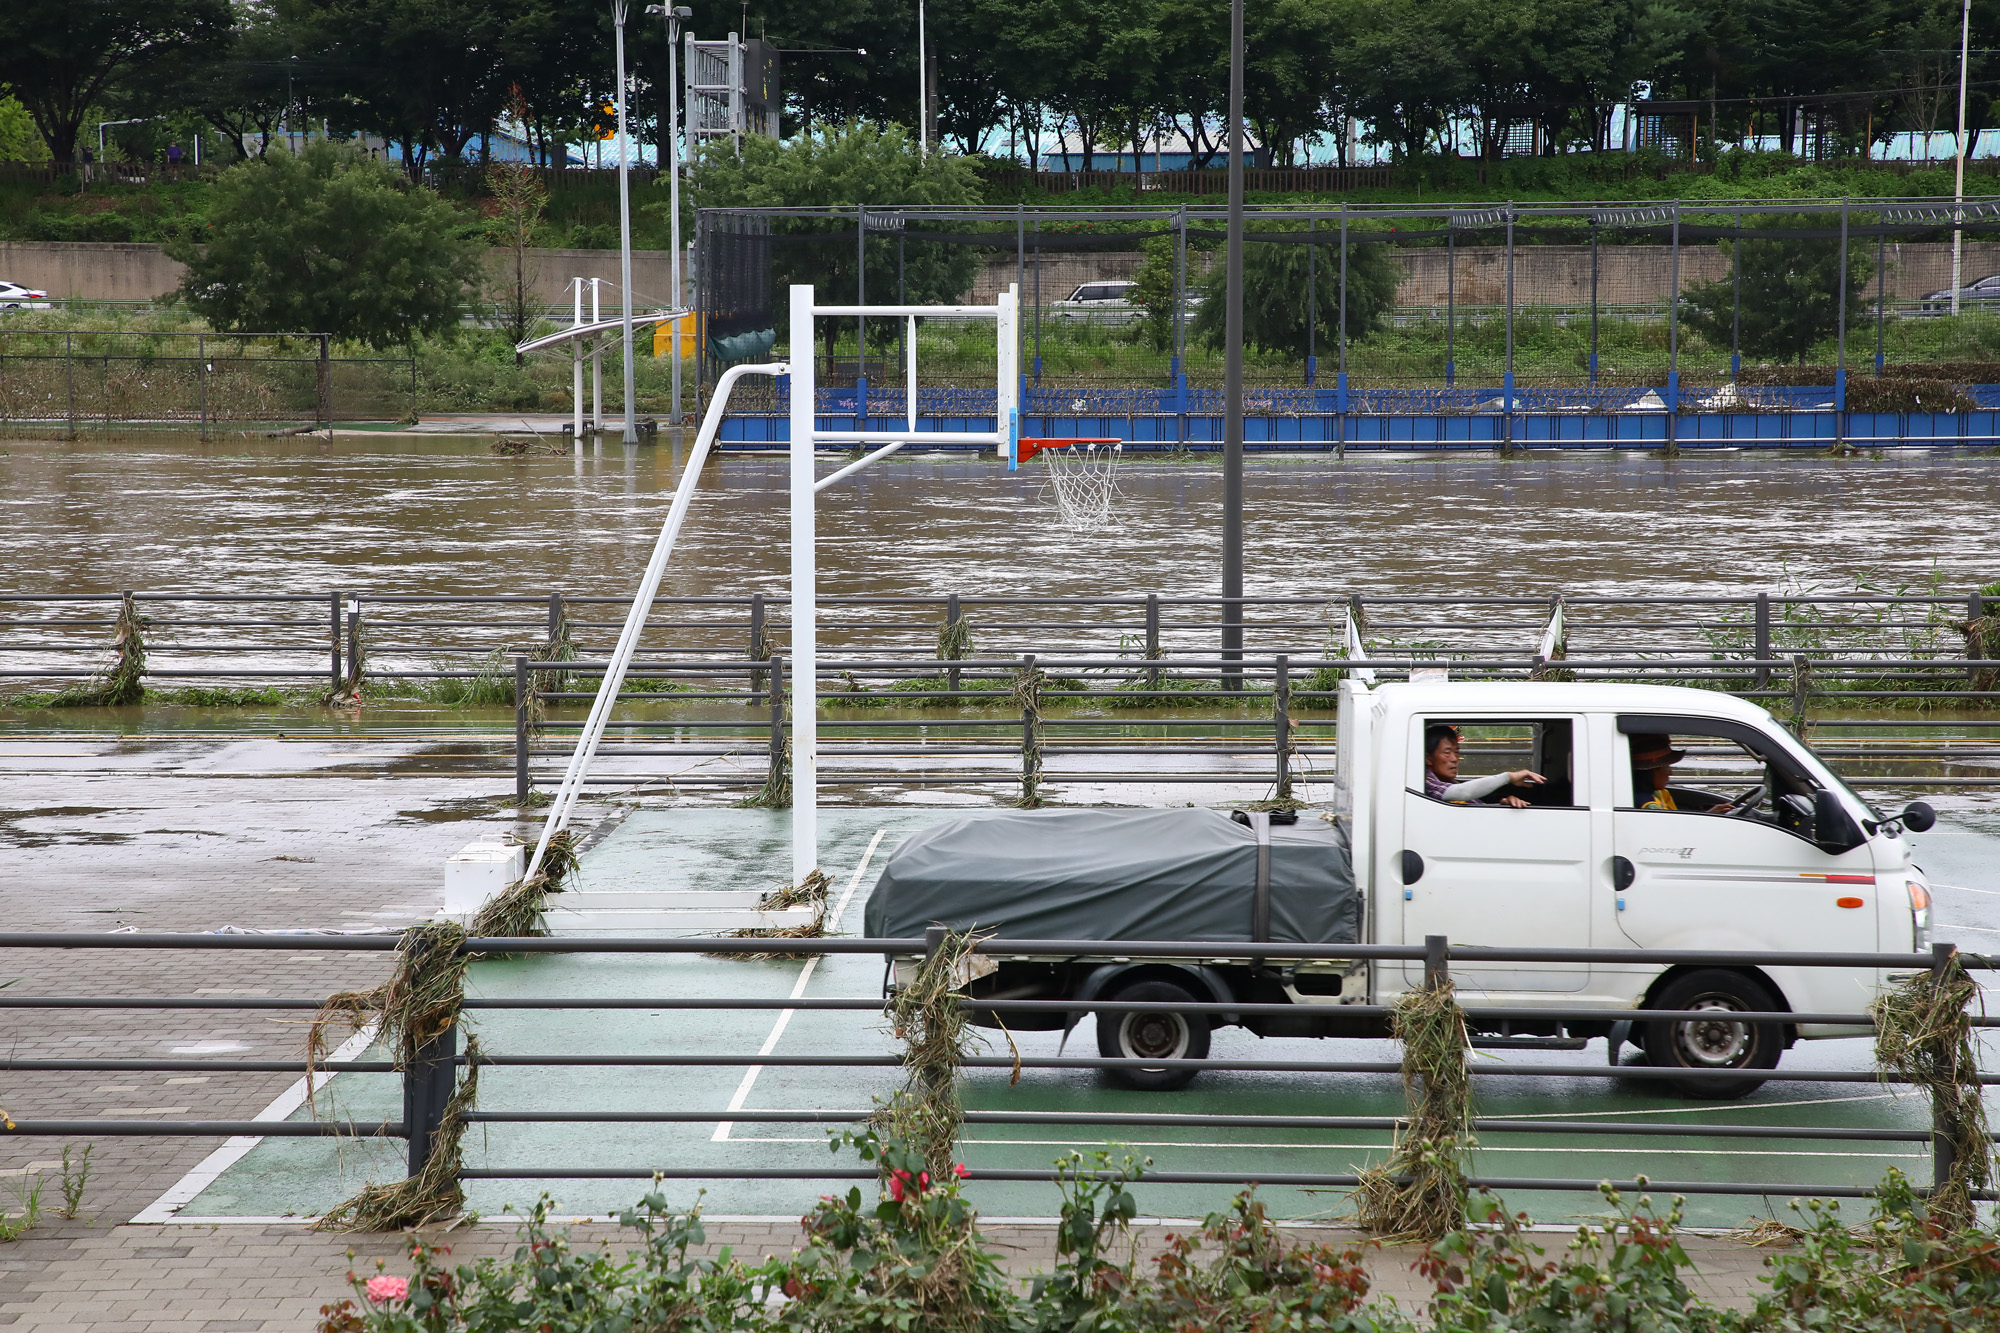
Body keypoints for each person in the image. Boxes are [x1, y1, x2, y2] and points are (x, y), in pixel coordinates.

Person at [1422, 724, 1546, 808]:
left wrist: (1502, 803)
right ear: (1428, 758)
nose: (1454, 759)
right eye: (1447, 752)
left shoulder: (1450, 782)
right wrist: (1508, 777)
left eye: (1456, 752)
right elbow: (1462, 792)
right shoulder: (1426, 785)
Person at [1630, 734, 1733, 813]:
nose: (1670, 773)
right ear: (1650, 773)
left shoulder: (1658, 794)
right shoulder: (1648, 805)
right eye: (1667, 767)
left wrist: (1710, 813)